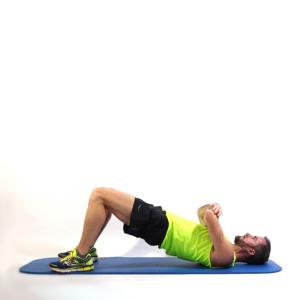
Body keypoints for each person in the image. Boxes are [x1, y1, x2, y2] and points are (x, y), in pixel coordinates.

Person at [49, 187, 271, 273]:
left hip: (160, 226)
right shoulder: (220, 241)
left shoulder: (225, 256)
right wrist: (209, 209)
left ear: (251, 251)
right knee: (104, 203)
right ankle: (86, 251)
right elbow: (201, 212)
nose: (250, 234)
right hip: (160, 222)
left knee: (99, 194)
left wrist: (213, 210)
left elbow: (208, 216)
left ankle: (81, 256)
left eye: (254, 239)